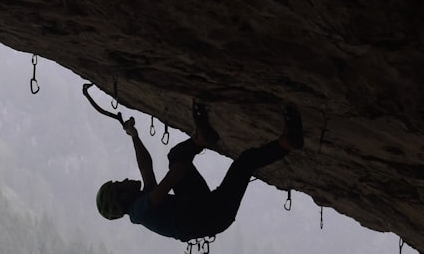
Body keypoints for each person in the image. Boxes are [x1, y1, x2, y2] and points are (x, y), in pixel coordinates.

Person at [95, 101, 304, 241]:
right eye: (118, 184)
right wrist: (183, 166)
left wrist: (134, 136)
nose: (123, 180)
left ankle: (286, 143)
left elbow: (145, 167)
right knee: (178, 158)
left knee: (245, 163)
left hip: (210, 214)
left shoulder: (139, 205)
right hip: (201, 213)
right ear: (122, 196)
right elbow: (166, 184)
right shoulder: (139, 209)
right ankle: (202, 140)